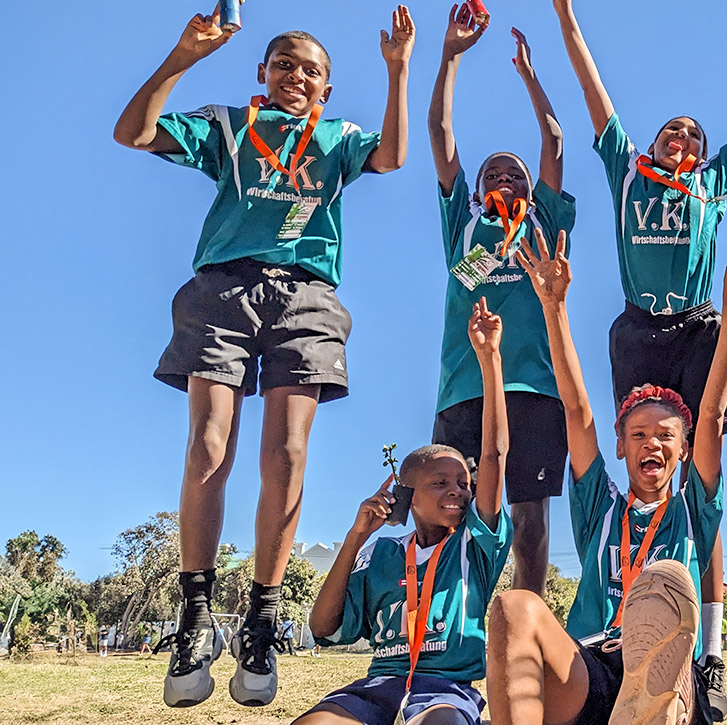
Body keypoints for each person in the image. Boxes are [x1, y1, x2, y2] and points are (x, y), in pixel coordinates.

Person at [112, 6, 414, 708]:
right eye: (285, 63)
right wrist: (184, 53)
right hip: (223, 289)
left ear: (328, 89)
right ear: (262, 73)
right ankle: (194, 615)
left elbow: (393, 156)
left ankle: (262, 617)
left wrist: (398, 70)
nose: (297, 76)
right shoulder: (229, 126)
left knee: (285, 456)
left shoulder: (337, 138)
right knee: (208, 446)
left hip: (305, 297)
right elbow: (133, 132)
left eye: (312, 70)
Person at [551, 3, 727, 712]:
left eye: (693, 134)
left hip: (701, 324)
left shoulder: (712, 180)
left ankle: (710, 655)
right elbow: (594, 93)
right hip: (639, 329)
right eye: (673, 127)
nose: (681, 136)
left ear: (703, 155)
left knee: (704, 475)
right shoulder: (628, 170)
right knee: (639, 455)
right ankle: (617, 609)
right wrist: (566, 19)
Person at [485, 227, 727, 725]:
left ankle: (658, 703)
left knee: (664, 579)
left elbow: (709, 415)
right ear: (620, 445)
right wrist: (553, 309)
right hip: (592, 666)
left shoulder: (694, 509)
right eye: (639, 434)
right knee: (514, 607)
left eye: (667, 435)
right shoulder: (599, 506)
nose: (653, 443)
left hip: (667, 669)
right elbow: (577, 412)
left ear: (684, 449)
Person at [297, 300, 513, 725]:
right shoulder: (379, 554)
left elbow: (494, 454)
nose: (458, 491)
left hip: (444, 691)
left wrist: (490, 360)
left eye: (463, 484)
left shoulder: (474, 546)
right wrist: (356, 536)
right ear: (409, 498)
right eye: (441, 483)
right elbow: (323, 628)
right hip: (381, 685)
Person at [427, 5, 576, 597]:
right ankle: (451, 624)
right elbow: (440, 136)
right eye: (492, 172)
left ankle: (528, 622)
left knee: (529, 519)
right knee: (450, 513)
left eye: (514, 173)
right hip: (464, 390)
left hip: (533, 391)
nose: (504, 178)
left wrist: (529, 76)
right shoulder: (460, 225)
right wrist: (450, 58)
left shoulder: (544, 224)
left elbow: (556, 140)